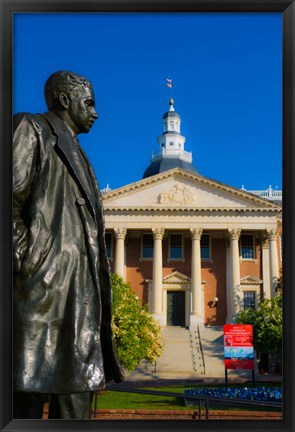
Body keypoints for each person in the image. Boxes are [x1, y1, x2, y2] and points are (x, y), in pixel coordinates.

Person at [13, 70, 124, 419]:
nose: (96, 113)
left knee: (75, 400)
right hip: (38, 295)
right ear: (64, 100)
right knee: (25, 398)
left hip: (77, 301)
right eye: (89, 103)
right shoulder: (31, 129)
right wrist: (26, 260)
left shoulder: (80, 155)